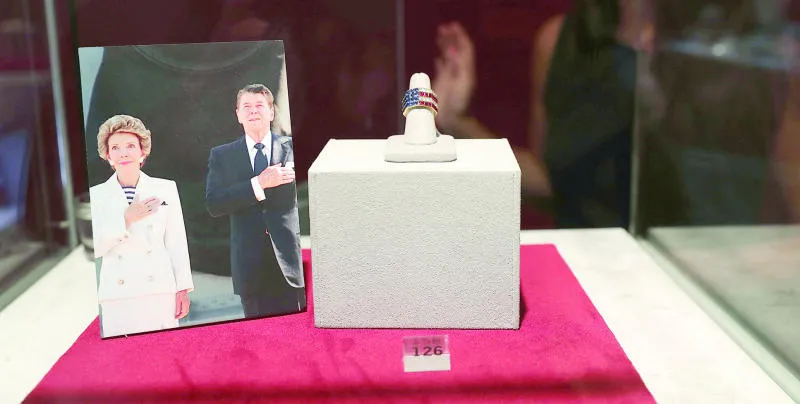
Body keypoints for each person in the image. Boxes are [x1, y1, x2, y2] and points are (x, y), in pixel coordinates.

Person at [433, 0, 653, 228]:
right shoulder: (560, 39)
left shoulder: (675, 45)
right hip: (586, 248)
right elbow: (549, 184)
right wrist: (457, 121)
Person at [205, 83, 304, 317]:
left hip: (292, 265)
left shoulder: (293, 148)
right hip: (250, 269)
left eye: (259, 105)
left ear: (271, 112)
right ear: (238, 115)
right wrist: (258, 184)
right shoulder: (222, 155)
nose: (253, 111)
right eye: (246, 107)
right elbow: (214, 204)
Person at [89, 115, 194, 337]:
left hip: (159, 290)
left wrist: (182, 289)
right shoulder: (96, 196)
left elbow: (176, 242)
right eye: (115, 148)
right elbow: (94, 247)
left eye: (130, 146)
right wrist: (126, 219)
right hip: (118, 295)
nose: (123, 153)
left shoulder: (165, 189)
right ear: (108, 156)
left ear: (142, 152)